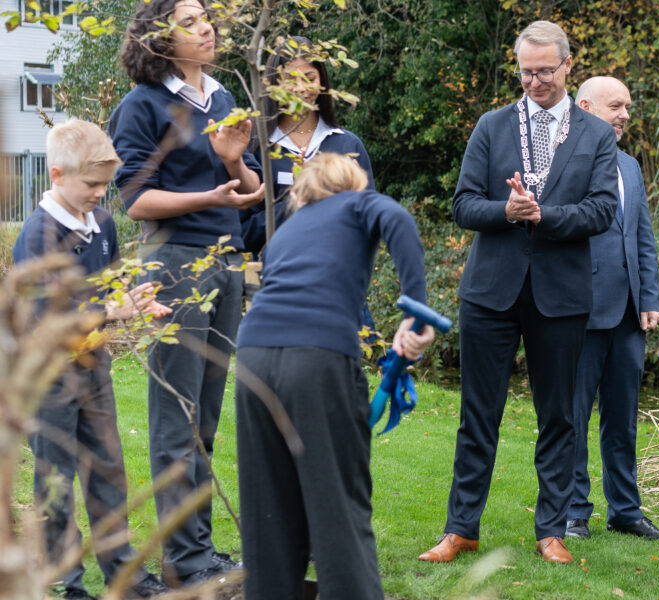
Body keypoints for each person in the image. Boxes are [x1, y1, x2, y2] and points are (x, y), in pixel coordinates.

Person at [418, 20, 618, 566]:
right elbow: (462, 205)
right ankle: (461, 529)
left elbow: (602, 210)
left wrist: (544, 215)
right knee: (478, 414)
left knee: (559, 416)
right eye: (526, 72)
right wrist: (506, 211)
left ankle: (550, 529)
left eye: (545, 72)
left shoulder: (596, 135)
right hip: (491, 293)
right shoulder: (491, 125)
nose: (534, 82)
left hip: (561, 295)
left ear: (568, 67)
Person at [108, 0, 264, 585]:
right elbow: (133, 201)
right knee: (177, 418)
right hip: (173, 263)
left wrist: (234, 165)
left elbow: (246, 189)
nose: (208, 28)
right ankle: (187, 560)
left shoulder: (222, 100)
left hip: (226, 263)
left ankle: (194, 552)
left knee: (205, 418)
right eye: (192, 21)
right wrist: (210, 198)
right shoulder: (143, 105)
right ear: (160, 39)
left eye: (207, 18)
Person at [235, 153, 432, 600]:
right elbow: (398, 218)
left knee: (269, 516)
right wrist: (415, 311)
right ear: (352, 182)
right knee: (339, 510)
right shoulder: (355, 203)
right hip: (317, 357)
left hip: (253, 357)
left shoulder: (287, 232)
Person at [13, 120, 173, 600]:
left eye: (106, 184)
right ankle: (66, 582)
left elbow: (105, 286)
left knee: (108, 472)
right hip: (47, 378)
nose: (102, 194)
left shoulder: (100, 224)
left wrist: (135, 301)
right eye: (91, 184)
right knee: (55, 481)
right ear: (57, 175)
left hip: (93, 369)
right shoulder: (38, 235)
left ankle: (124, 576)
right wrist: (113, 310)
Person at [563, 76, 659, 541]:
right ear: (585, 106)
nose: (626, 114)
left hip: (629, 315)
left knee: (623, 419)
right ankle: (572, 512)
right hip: (576, 311)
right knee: (571, 417)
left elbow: (642, 237)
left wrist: (648, 297)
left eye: (628, 105)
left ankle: (625, 511)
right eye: (616, 106)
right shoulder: (563, 160)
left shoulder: (629, 166)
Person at [240, 36, 374, 256]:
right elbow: (243, 234)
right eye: (290, 80)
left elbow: (369, 224)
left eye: (309, 77)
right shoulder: (256, 146)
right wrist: (294, 200)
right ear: (274, 84)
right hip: (275, 279)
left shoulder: (346, 145)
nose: (301, 88)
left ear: (321, 81)